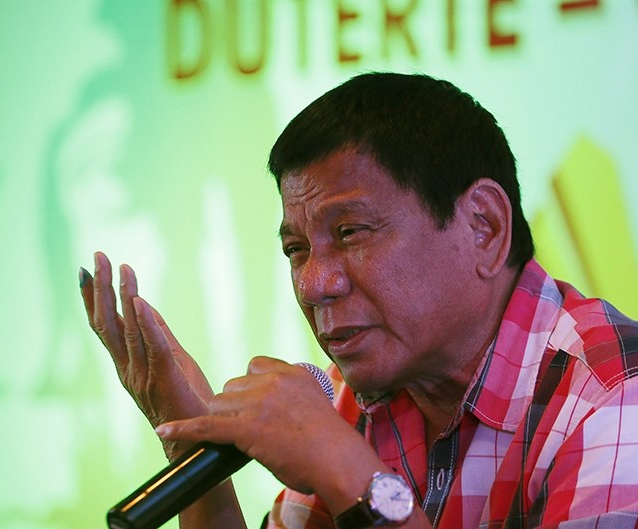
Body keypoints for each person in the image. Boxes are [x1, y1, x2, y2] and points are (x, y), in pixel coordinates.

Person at [79, 73, 638, 528]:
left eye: (351, 233)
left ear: (483, 227)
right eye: (296, 249)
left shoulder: (613, 395)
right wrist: (191, 445)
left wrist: (347, 470)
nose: (313, 284)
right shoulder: (352, 400)